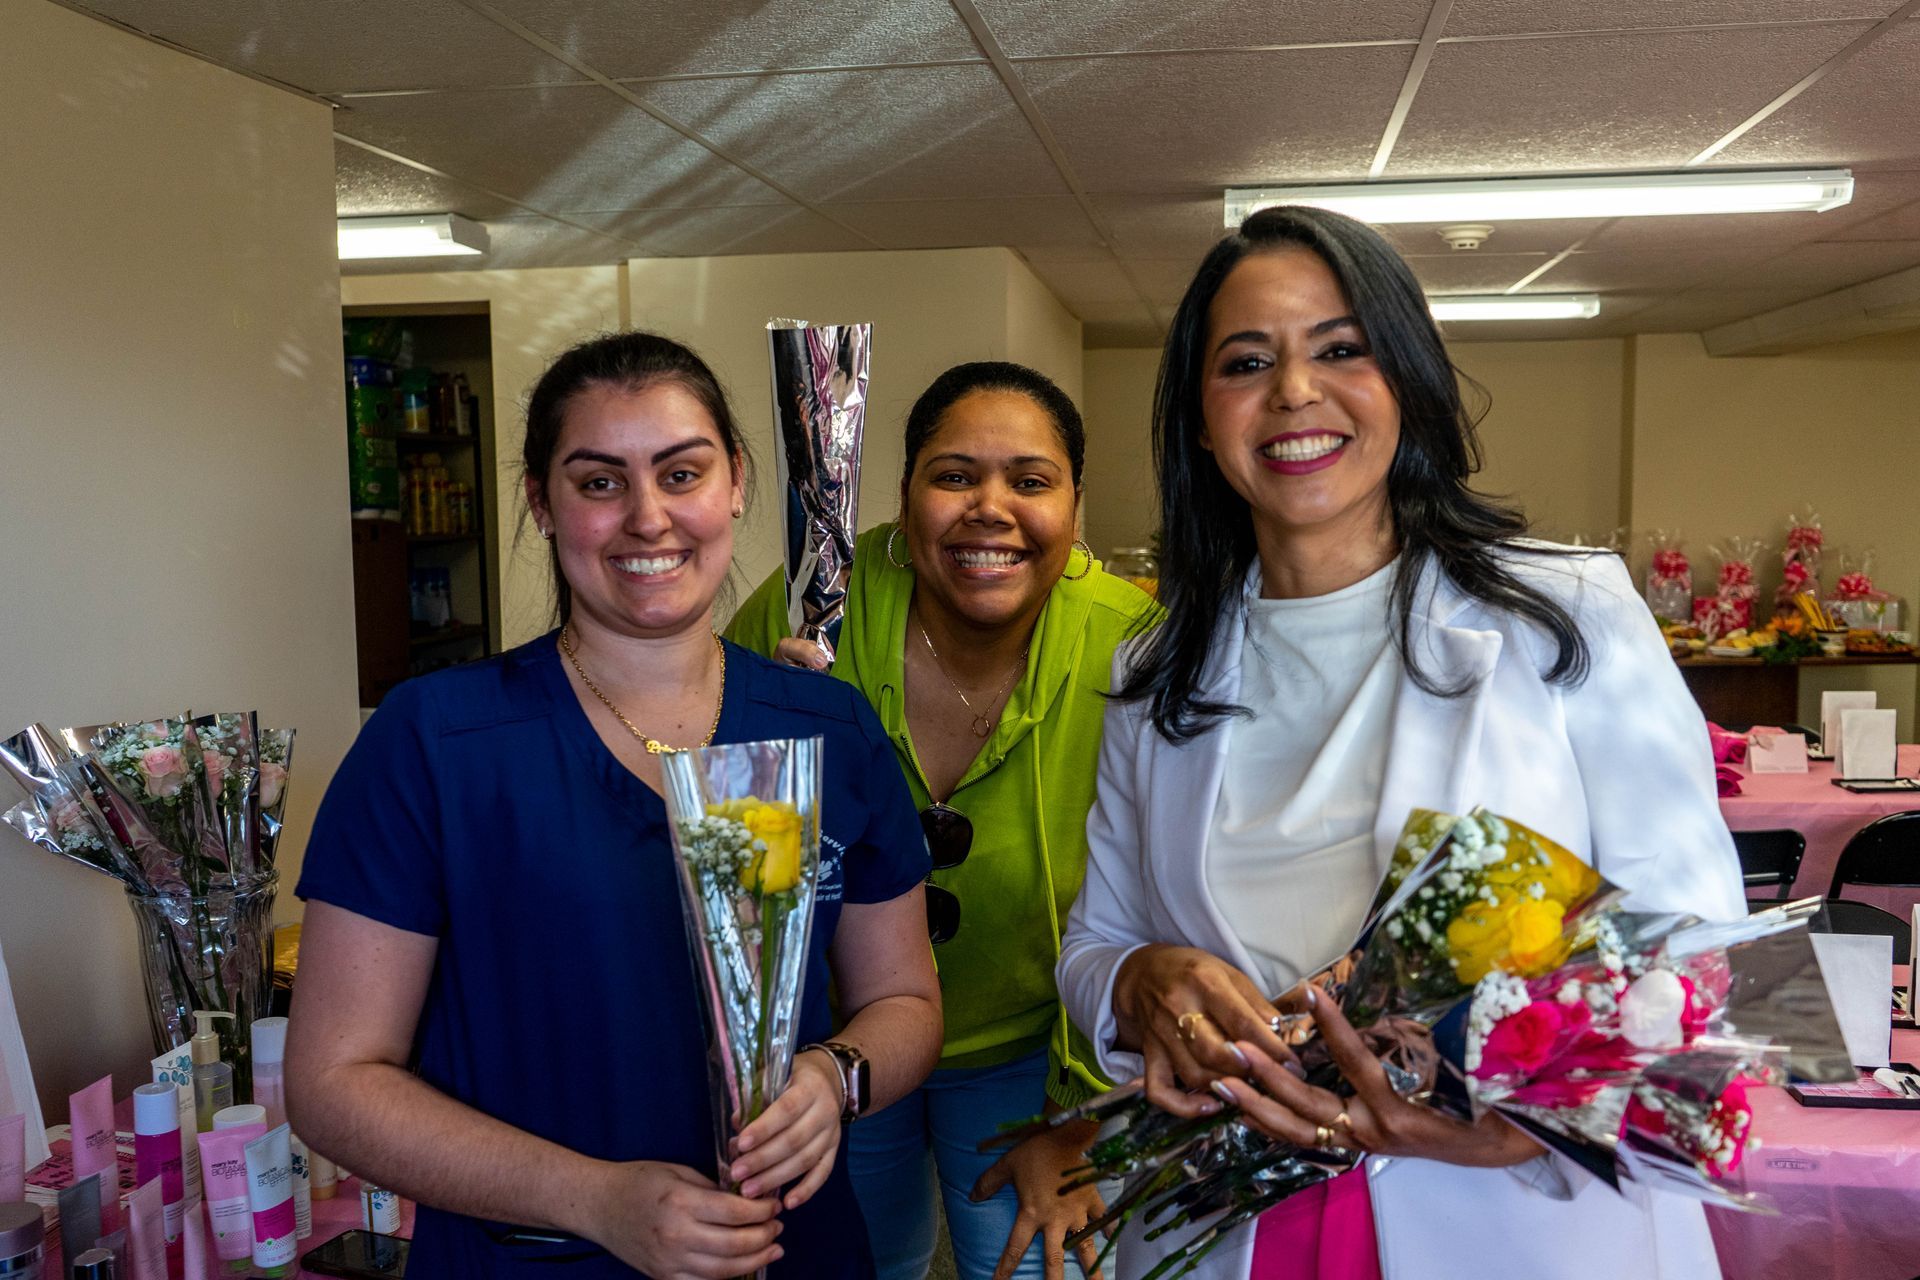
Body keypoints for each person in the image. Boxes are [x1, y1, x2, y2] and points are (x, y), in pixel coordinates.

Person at [1056, 206, 1747, 1280]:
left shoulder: (1565, 615)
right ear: (1200, 417)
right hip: (1233, 1218)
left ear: (1406, 381)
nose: (1293, 392)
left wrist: (1522, 1120)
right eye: (1247, 362)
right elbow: (1096, 940)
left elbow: (1697, 943)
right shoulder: (1155, 677)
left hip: (1515, 1211)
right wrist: (1136, 981)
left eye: (1341, 349)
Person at [286, 331, 944, 1280]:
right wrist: (592, 1199)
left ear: (738, 483)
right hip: (532, 1258)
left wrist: (833, 1075)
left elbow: (906, 1001)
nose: (648, 517)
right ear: (540, 502)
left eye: (682, 473)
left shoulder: (826, 728)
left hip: (788, 1252)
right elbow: (334, 1084)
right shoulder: (435, 740)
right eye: (599, 482)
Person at [729, 362, 1161, 1280]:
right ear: (904, 493)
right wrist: (764, 730)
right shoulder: (814, 606)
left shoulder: (1135, 647)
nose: (990, 508)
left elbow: (1167, 905)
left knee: (1034, 1265)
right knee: (854, 1263)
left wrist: (1086, 1115)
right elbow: (716, 818)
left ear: (1076, 508)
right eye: (954, 474)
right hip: (839, 1046)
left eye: (1031, 481)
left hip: (1038, 1054)